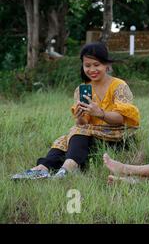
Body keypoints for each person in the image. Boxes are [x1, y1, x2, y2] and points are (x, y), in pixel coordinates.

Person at [11, 42, 140, 180]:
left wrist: (101, 113)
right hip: (92, 133)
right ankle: (43, 168)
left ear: (106, 65)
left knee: (76, 133)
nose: (92, 69)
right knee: (67, 138)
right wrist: (79, 117)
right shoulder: (82, 89)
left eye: (96, 65)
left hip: (118, 135)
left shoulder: (119, 86)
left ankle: (68, 169)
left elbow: (122, 118)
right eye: (87, 65)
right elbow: (83, 123)